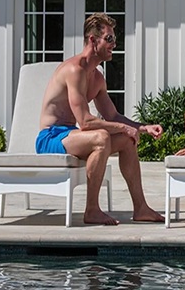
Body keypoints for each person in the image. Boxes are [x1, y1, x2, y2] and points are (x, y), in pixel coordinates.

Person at [36, 12, 164, 225]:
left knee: (127, 140)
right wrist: (122, 127)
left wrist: (143, 128)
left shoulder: (97, 78)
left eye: (114, 39)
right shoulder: (74, 70)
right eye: (109, 38)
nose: (114, 44)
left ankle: (141, 208)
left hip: (72, 136)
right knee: (101, 137)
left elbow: (112, 115)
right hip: (51, 138)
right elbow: (86, 122)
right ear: (93, 40)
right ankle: (92, 209)